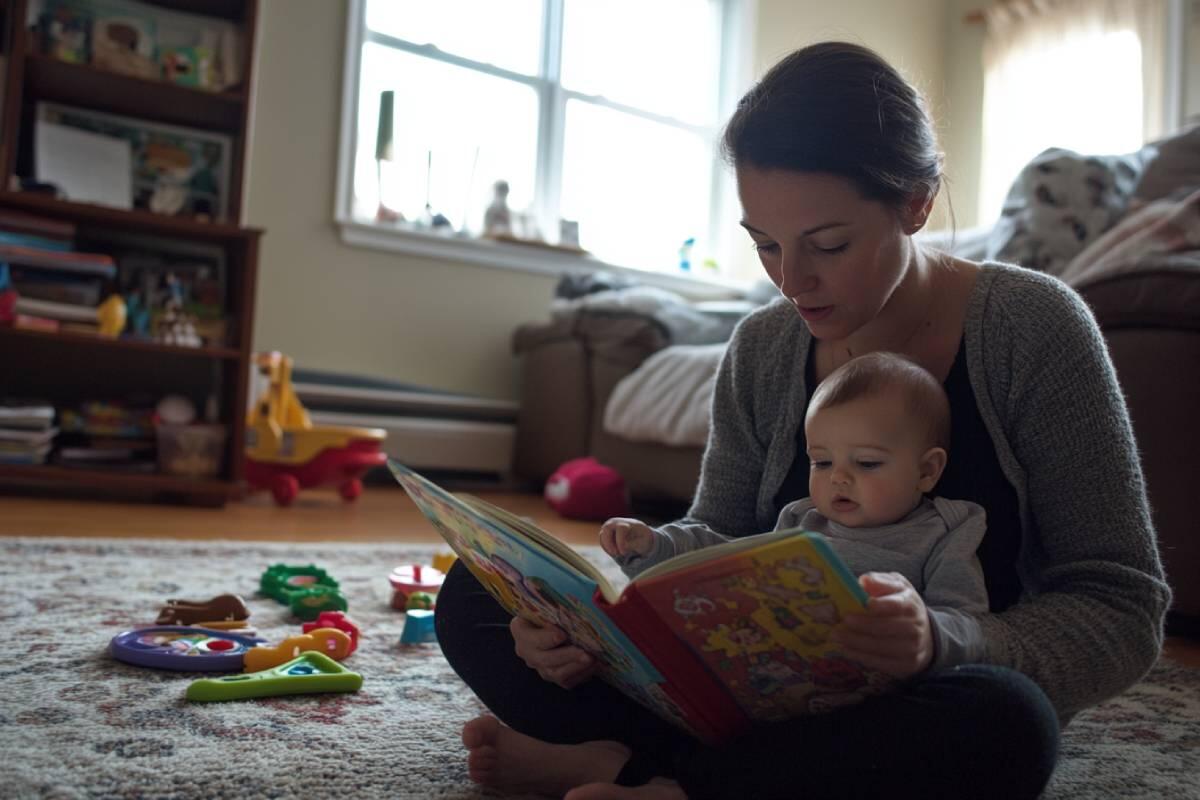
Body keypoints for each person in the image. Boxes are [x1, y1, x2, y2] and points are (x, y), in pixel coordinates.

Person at [433, 41, 1171, 800]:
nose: (791, 282)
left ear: (917, 202)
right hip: (747, 703)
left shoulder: (1034, 328)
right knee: (477, 592)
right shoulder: (761, 347)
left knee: (1007, 725)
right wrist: (584, 629)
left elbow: (1120, 604)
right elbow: (709, 541)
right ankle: (683, 776)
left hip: (918, 702)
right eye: (765, 245)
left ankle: (648, 774)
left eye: (828, 244)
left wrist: (941, 645)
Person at [603, 351, 991, 674]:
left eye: (867, 463)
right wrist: (654, 544)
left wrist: (928, 634)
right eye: (821, 463)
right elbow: (723, 559)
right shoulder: (802, 520)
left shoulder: (947, 530)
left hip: (883, 685)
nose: (838, 478)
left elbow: (970, 625)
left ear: (927, 471)